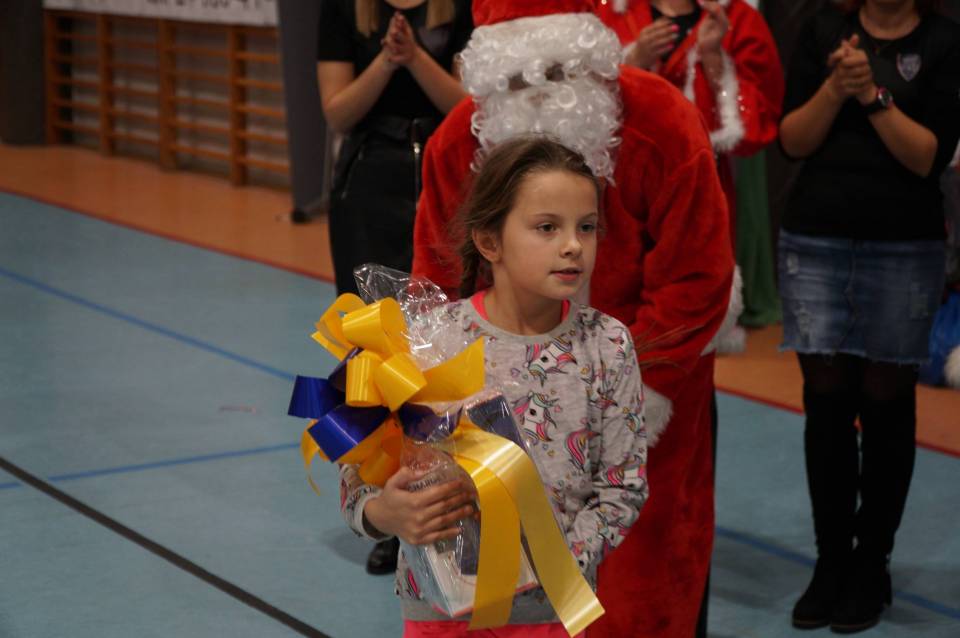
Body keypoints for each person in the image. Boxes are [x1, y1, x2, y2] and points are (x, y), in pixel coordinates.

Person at [411, 1, 735, 636]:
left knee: (643, 589)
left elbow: (697, 276)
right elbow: (436, 287)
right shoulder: (459, 140)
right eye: (517, 80)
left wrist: (635, 393)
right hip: (501, 411)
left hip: (648, 391)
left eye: (558, 72)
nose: (539, 94)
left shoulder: (662, 120)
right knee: (509, 598)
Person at [339, 136, 649, 638]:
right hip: (439, 615)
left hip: (548, 614)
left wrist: (547, 566)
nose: (573, 244)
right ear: (489, 241)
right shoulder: (427, 341)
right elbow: (357, 472)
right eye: (547, 227)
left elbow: (622, 489)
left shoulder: (607, 345)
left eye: (586, 227)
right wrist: (384, 514)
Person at [778, 0, 960, 632]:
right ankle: (830, 561)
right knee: (826, 404)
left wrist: (873, 95)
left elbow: (929, 157)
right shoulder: (823, 29)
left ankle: (870, 563)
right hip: (815, 240)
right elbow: (791, 140)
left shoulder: (945, 40)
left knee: (887, 403)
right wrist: (835, 88)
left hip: (904, 247)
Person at [317, 0, 473, 574]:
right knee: (375, 358)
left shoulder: (460, 7)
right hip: (369, 185)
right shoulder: (343, 10)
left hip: (446, 178)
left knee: (443, 349)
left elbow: (467, 106)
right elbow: (337, 112)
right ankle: (382, 505)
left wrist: (416, 59)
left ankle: (452, 494)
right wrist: (387, 59)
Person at [596, 0, 783, 247]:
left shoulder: (738, 18)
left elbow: (758, 126)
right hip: (619, 193)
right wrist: (633, 61)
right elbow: (583, 102)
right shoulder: (611, 9)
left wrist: (714, 60)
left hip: (699, 195)